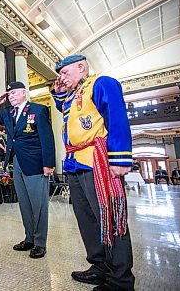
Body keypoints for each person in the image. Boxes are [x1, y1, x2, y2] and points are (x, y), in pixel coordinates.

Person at [51, 55, 134, 291]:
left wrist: (119, 157)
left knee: (110, 220)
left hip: (97, 163)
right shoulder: (73, 94)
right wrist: (59, 92)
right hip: (75, 164)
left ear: (81, 66)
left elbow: (116, 117)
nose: (62, 77)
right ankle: (99, 268)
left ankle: (120, 281)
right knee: (87, 221)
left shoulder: (101, 83)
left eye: (65, 72)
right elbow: (65, 110)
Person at [0, 81, 55, 259]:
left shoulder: (38, 110)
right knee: (24, 204)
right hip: (16, 162)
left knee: (38, 205)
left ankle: (40, 243)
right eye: (9, 94)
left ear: (24, 93)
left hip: (35, 163)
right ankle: (30, 239)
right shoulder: (9, 113)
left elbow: (47, 138)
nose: (11, 96)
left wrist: (48, 163)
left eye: (14, 93)